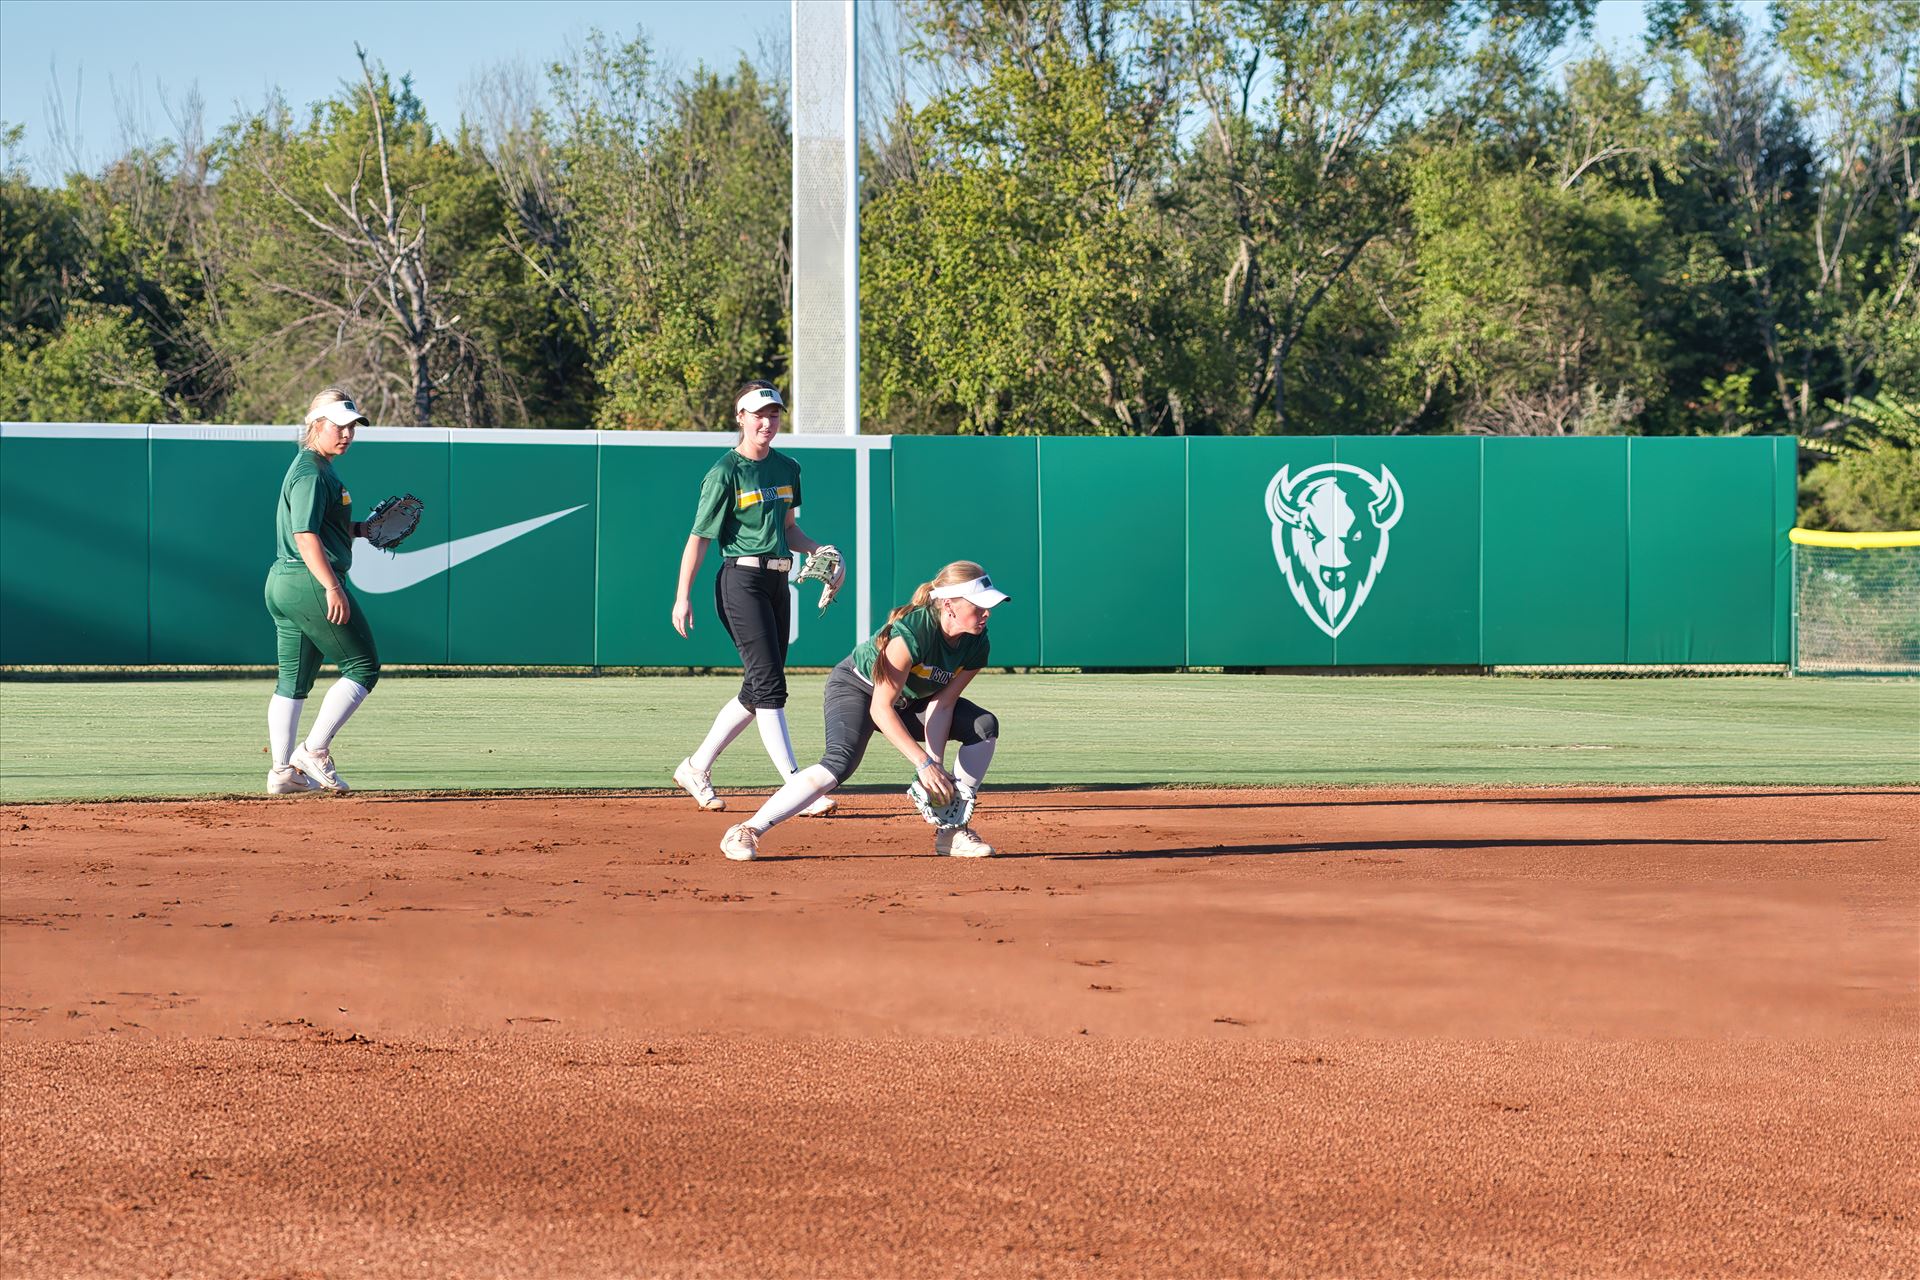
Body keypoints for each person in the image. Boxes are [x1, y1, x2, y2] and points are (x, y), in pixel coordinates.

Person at [718, 560, 1009, 862]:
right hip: (857, 688)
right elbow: (881, 708)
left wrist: (936, 769)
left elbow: (942, 704)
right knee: (838, 763)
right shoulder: (914, 632)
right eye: (978, 605)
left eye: (988, 606)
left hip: (912, 702)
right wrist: (923, 764)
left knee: (983, 726)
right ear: (948, 604)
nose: (986, 613)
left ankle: (951, 831)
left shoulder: (977, 643)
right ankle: (747, 830)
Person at [671, 381, 844, 815]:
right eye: (758, 413)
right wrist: (682, 596)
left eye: (774, 414)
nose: (767, 421)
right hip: (741, 581)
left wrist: (817, 548)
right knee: (770, 686)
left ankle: (695, 767)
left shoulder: (787, 468)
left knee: (758, 687)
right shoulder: (725, 472)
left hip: (777, 582)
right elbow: (699, 538)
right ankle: (797, 787)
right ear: (741, 417)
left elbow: (789, 529)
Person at [263, 388, 382, 795]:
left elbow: (324, 527)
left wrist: (363, 530)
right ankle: (313, 751)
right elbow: (305, 533)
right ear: (316, 425)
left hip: (286, 581)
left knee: (293, 682)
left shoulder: (318, 468)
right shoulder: (312, 471)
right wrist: (332, 585)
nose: (348, 434)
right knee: (364, 667)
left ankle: (282, 773)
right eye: (339, 426)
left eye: (353, 427)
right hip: (309, 580)